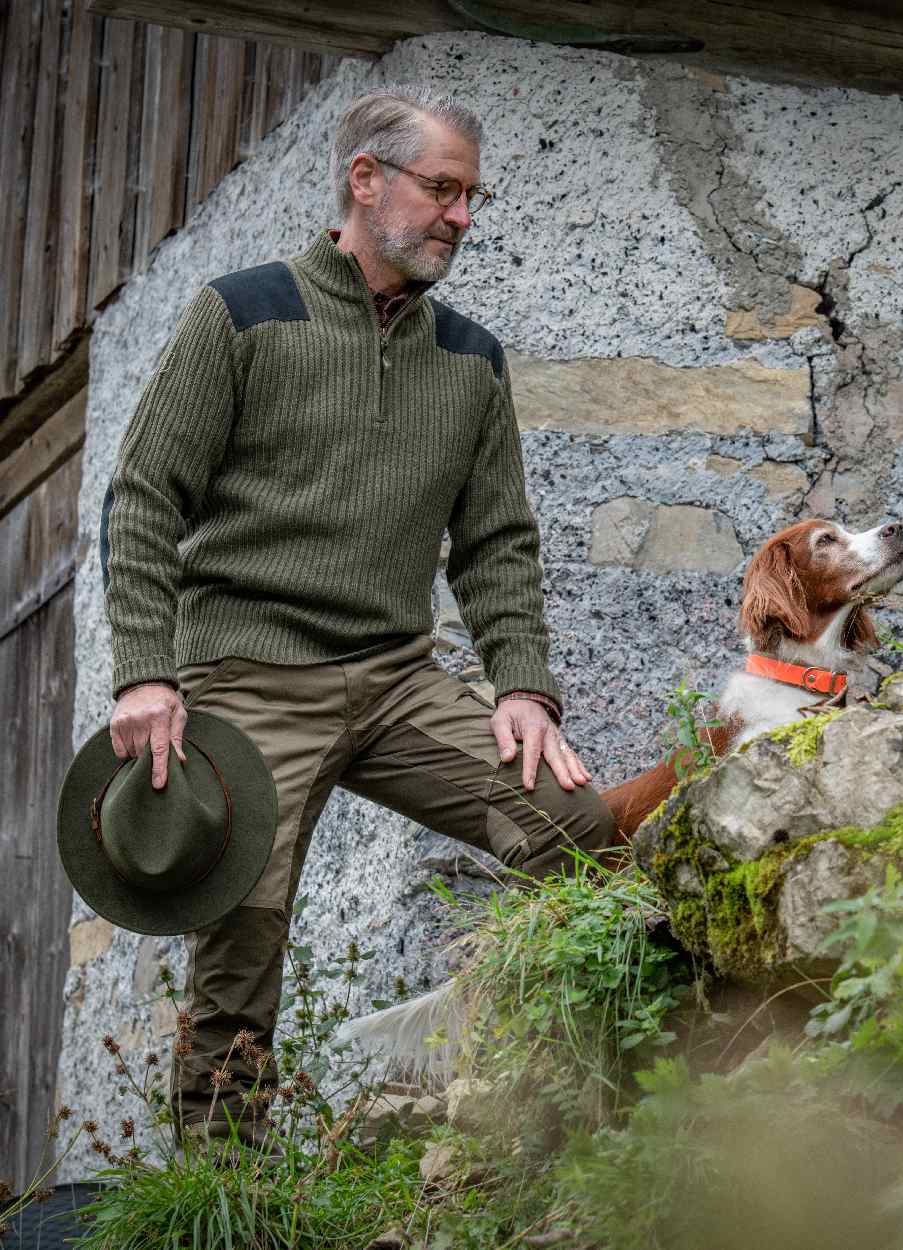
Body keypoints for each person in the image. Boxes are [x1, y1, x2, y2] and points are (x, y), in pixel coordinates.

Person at [100, 84, 616, 1146]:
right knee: (241, 930)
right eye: (441, 188)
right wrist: (146, 670)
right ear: (365, 179)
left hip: (395, 681)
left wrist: (521, 684)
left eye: (471, 196)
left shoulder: (470, 359)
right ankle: (221, 1187)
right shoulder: (240, 314)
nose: (460, 216)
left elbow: (498, 540)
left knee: (571, 829)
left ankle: (566, 1106)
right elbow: (145, 497)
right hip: (249, 678)